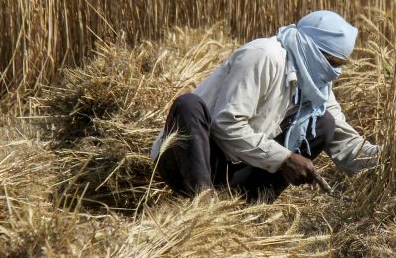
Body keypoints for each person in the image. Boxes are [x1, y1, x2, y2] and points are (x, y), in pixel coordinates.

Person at [150, 10, 380, 202]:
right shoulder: (264, 56)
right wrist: (284, 159)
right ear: (310, 48)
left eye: (338, 65)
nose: (334, 72)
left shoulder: (315, 81)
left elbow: (346, 144)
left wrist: (390, 158)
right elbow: (226, 124)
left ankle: (249, 206)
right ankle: (203, 204)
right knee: (188, 105)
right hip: (190, 157)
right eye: (331, 62)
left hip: (238, 166)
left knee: (325, 123)